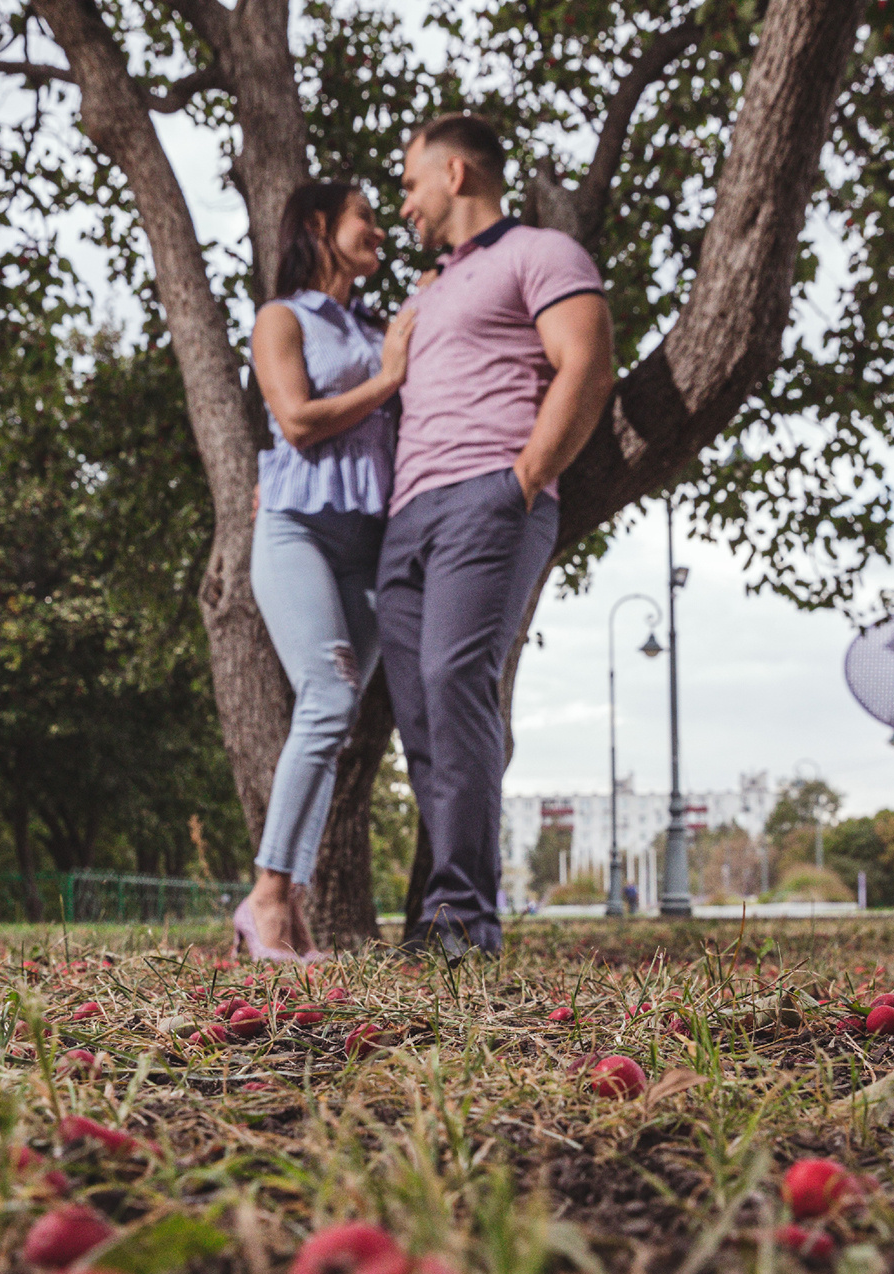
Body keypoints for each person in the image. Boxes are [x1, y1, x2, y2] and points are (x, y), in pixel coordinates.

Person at [382, 113, 616, 957]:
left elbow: (586, 360)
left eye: (409, 185)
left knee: (455, 682)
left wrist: (521, 481)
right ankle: (436, 915)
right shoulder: (428, 291)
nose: (402, 205)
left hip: (486, 498)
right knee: (421, 722)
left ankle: (462, 918)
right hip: (407, 518)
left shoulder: (541, 255)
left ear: (454, 174)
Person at [232, 181, 417, 961]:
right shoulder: (283, 318)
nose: (379, 229)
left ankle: (289, 909)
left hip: (369, 541)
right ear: (317, 225)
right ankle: (268, 896)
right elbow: (298, 422)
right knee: (330, 691)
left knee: (336, 718)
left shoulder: (378, 325)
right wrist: (389, 379)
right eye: (364, 217)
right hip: (297, 529)